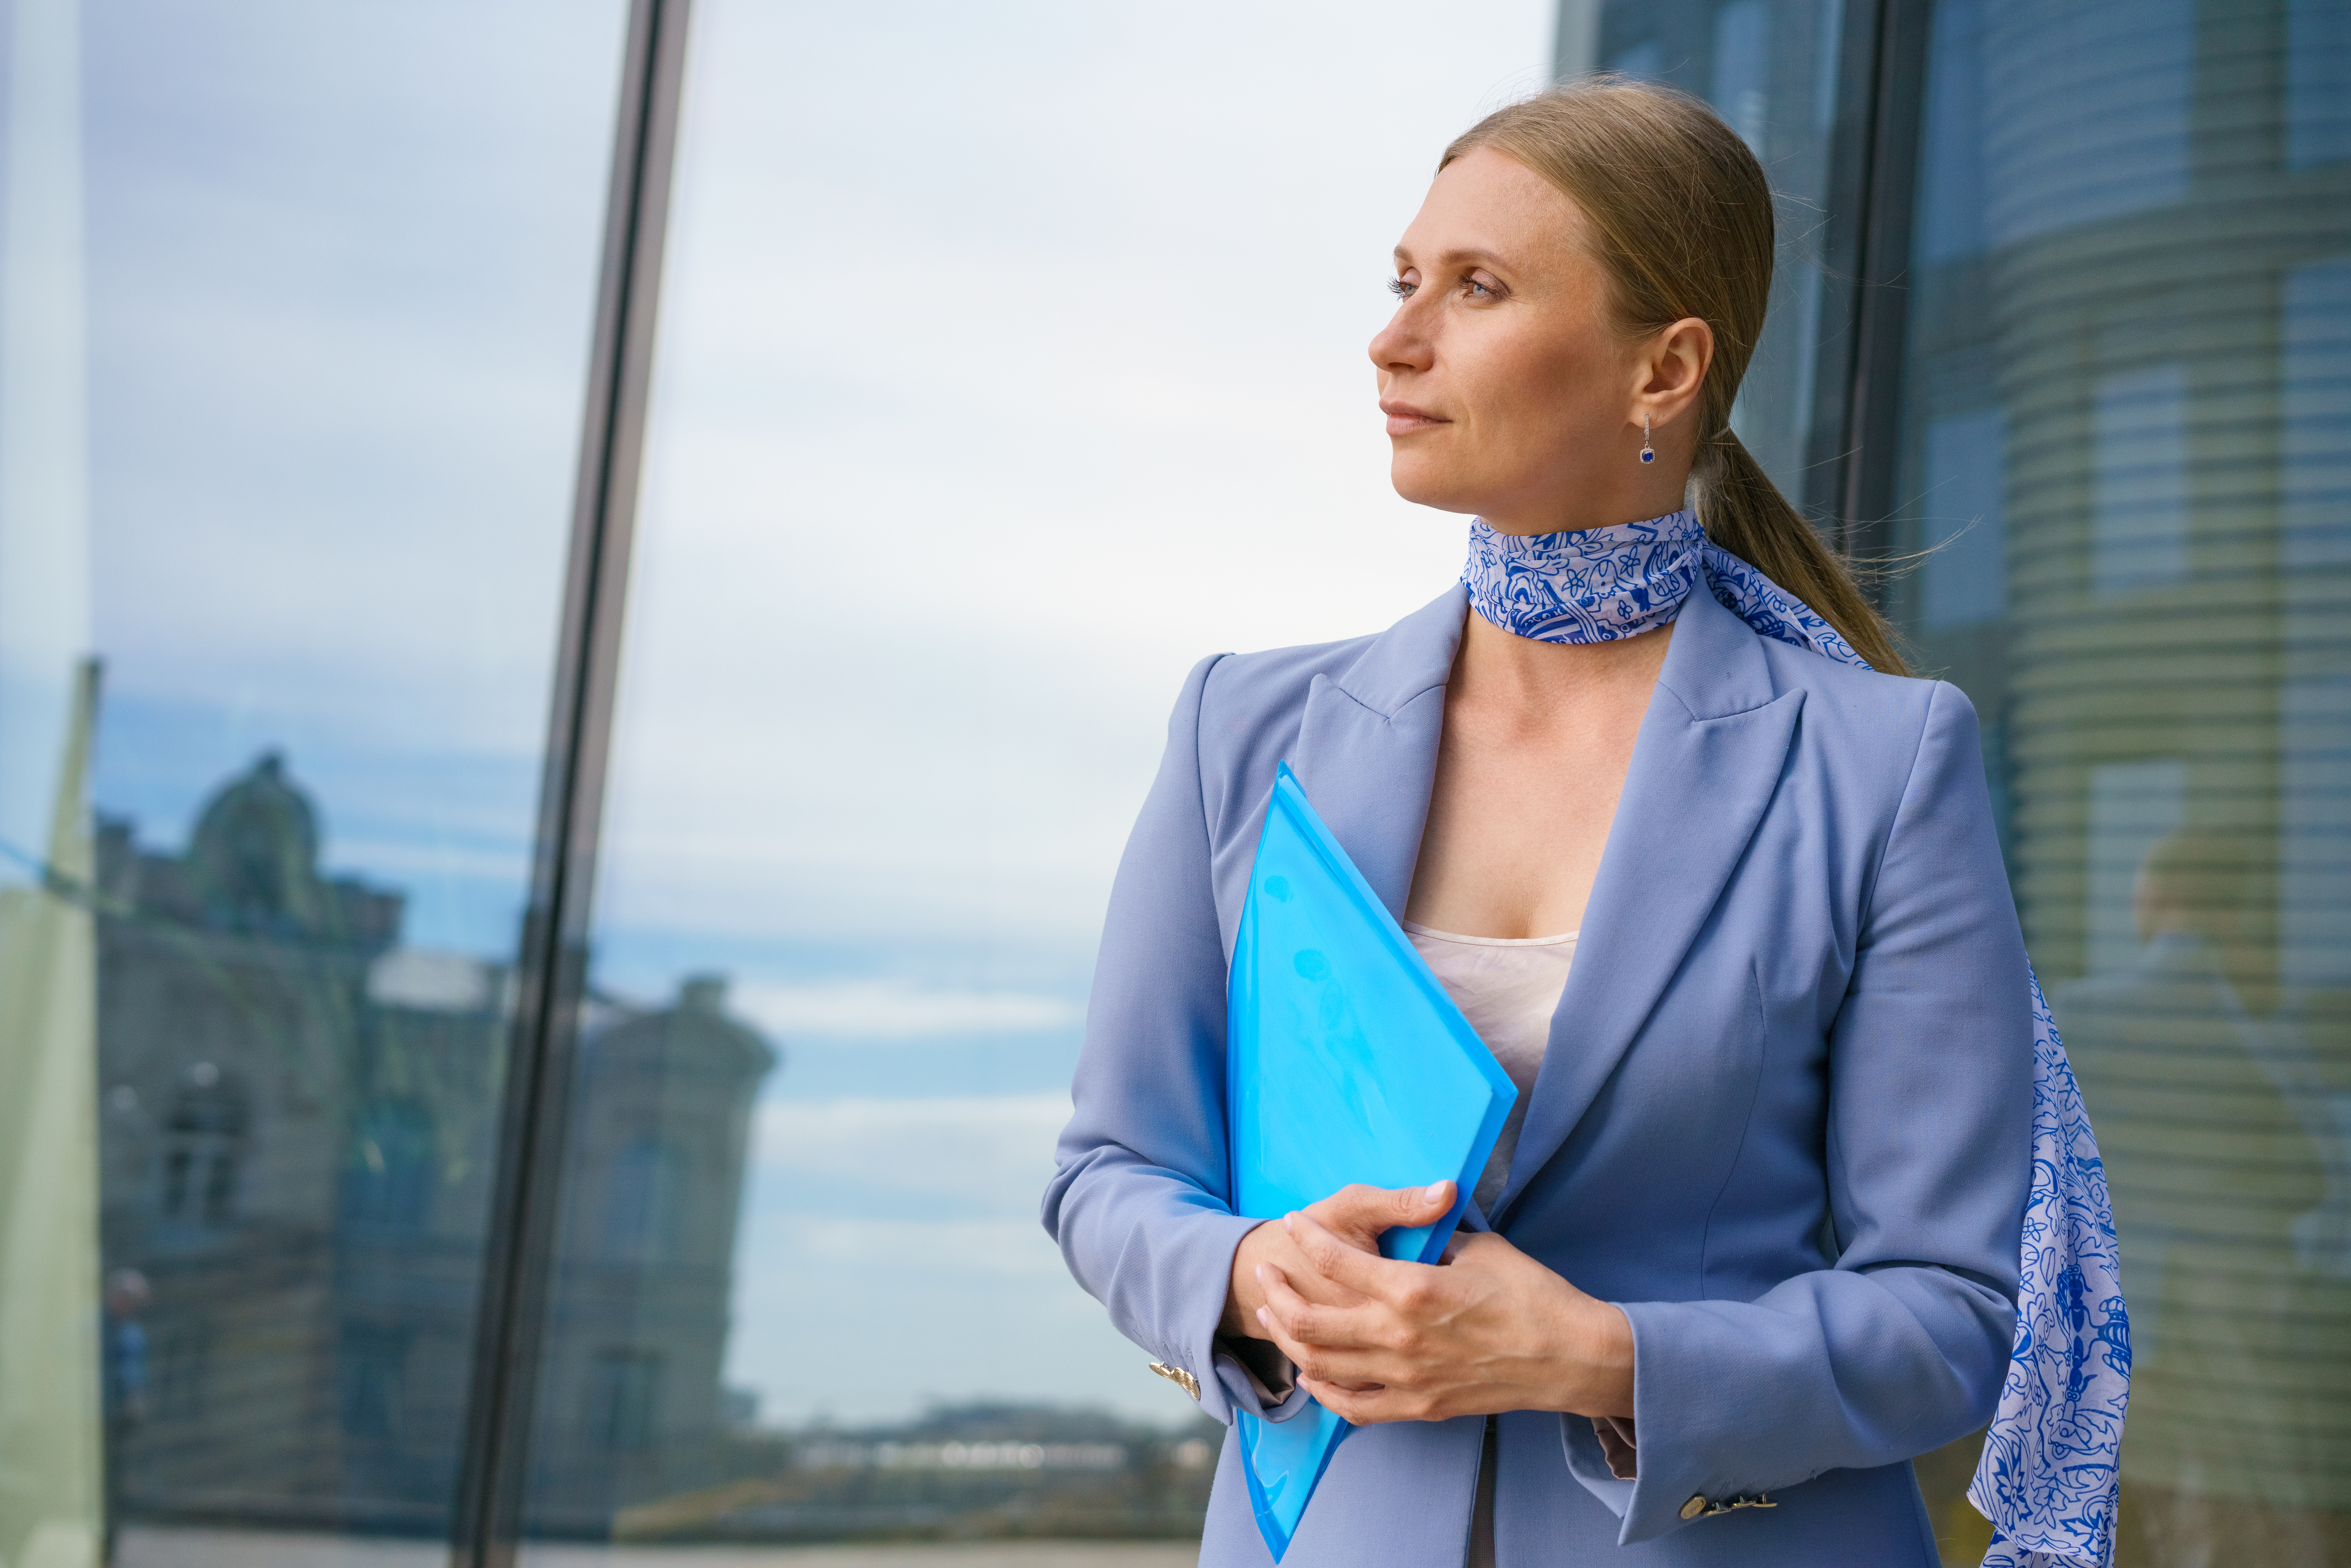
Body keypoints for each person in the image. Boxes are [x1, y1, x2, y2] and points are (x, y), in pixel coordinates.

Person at [1043, 81, 2039, 1565]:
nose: (1393, 338)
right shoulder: (1241, 733)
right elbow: (1110, 1174)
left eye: (1477, 288)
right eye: (1401, 282)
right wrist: (1253, 1271)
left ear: (1665, 368)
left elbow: (1953, 1313)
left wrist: (1595, 1356)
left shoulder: (1878, 763)